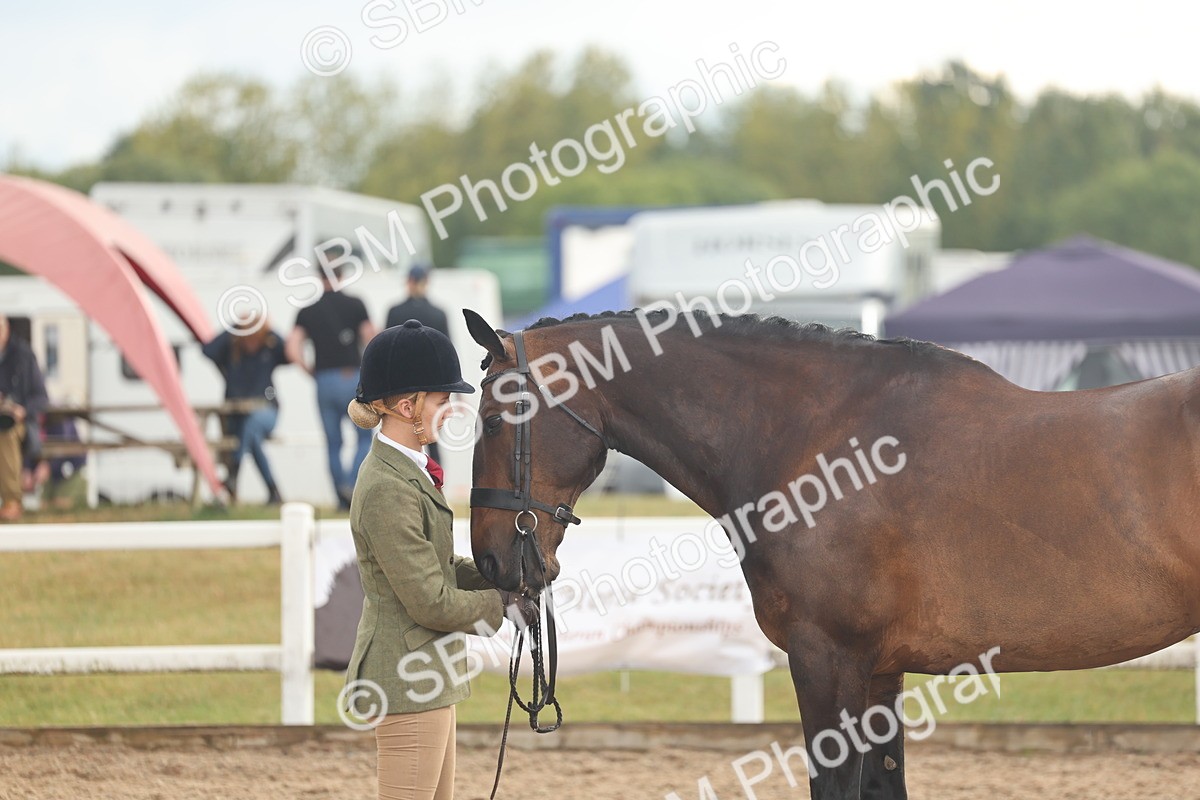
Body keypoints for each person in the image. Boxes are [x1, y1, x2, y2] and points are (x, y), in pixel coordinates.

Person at [341, 319, 533, 800]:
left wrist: (508, 578)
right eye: (441, 401)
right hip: (406, 678)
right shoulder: (386, 488)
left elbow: (439, 566)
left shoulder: (407, 472)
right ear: (407, 407)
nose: (450, 412)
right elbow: (430, 600)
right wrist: (501, 604)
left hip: (428, 674)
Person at [287, 266, 378, 509]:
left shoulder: (307, 311)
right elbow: (371, 338)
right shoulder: (356, 304)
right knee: (363, 437)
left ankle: (340, 496)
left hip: (324, 380)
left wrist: (308, 369)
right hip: (352, 377)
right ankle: (350, 483)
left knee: (333, 443)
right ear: (341, 276)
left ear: (319, 278)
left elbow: (292, 347)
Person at [202, 314, 290, 504]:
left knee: (251, 426)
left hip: (267, 410)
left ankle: (233, 475)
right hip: (237, 415)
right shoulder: (231, 351)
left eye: (256, 335)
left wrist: (268, 329)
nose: (252, 341)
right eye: (248, 335)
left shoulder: (269, 350)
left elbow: (290, 353)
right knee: (252, 437)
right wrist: (236, 326)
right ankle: (273, 491)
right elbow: (207, 350)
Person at [385, 264, 450, 467]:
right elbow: (446, 352)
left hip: (402, 385)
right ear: (426, 281)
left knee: (403, 435)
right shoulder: (438, 313)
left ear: (409, 281)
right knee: (433, 437)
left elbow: (387, 350)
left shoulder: (395, 312)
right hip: (432, 385)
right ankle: (435, 480)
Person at [0, 315, 49, 522]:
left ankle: (12, 501)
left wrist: (22, 410)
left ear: (6, 329)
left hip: (19, 423)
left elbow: (41, 398)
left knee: (5, 434)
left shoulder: (23, 355)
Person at [385, 265, 449, 335]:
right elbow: (446, 341)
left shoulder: (395, 312)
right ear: (426, 282)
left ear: (408, 282)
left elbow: (385, 340)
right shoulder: (438, 315)